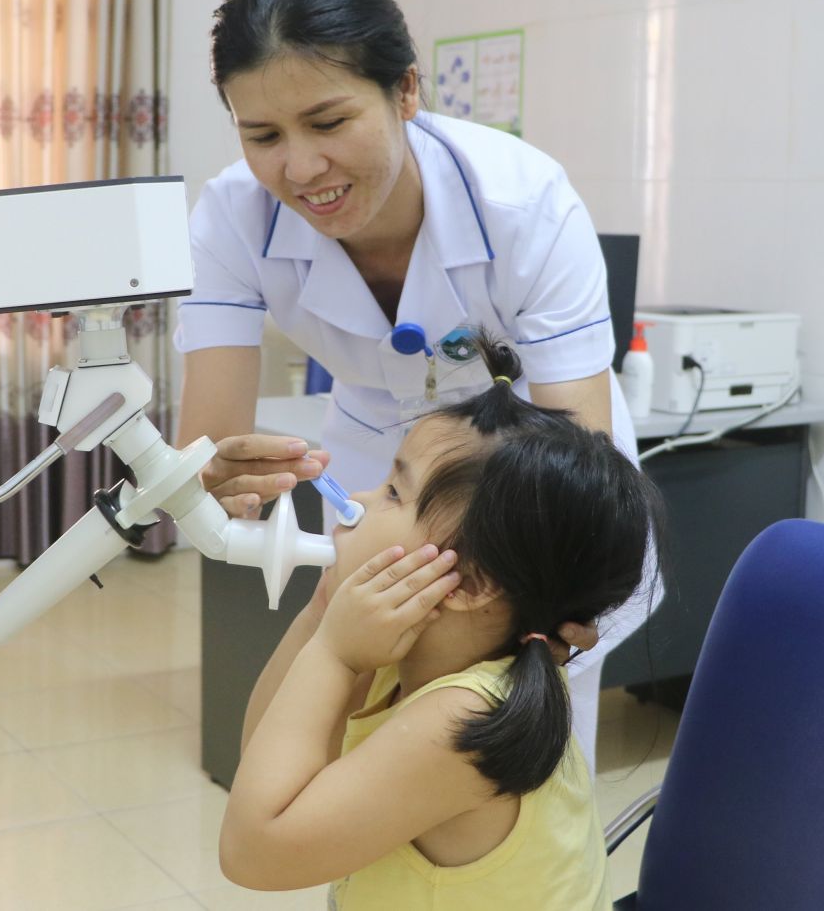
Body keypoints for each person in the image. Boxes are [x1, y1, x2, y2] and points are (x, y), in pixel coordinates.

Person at [174, 0, 655, 761]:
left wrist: (538, 591)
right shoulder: (231, 218)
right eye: (262, 134)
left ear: (405, 90)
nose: (301, 167)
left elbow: (575, 453)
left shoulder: (525, 205)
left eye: (329, 122)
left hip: (537, 481)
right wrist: (219, 477)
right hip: (382, 473)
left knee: (512, 745)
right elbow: (209, 456)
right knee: (359, 728)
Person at [218, 334, 663, 908]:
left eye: (393, 492)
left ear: (471, 584)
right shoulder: (409, 650)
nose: (359, 498)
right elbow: (262, 762)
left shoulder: (465, 718)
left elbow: (253, 852)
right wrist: (323, 614)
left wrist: (333, 654)